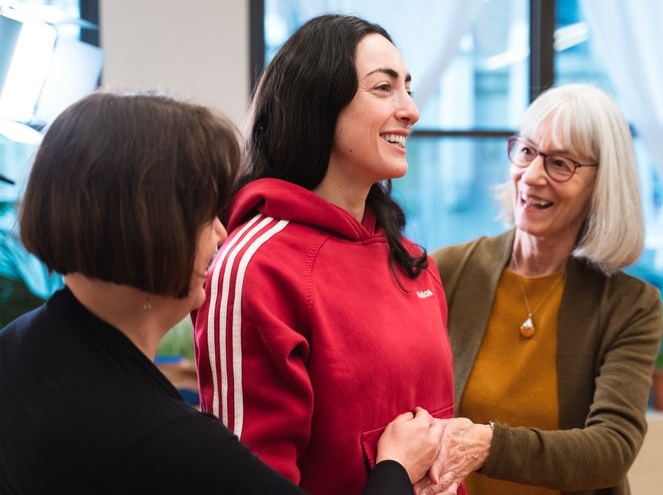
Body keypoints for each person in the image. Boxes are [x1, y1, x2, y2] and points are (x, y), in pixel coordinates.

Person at [0, 91, 444, 494]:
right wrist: (396, 469)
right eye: (206, 215)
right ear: (153, 233)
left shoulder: (17, 345)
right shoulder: (173, 444)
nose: (220, 232)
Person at [193, 14, 459, 495]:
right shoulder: (254, 266)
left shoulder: (414, 263)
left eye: (409, 89)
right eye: (384, 88)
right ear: (319, 105)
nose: (411, 111)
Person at [419, 83, 663, 495]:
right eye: (528, 151)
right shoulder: (448, 271)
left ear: (601, 185)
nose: (532, 177)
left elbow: (613, 448)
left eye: (561, 163)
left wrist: (489, 445)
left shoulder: (630, 305)